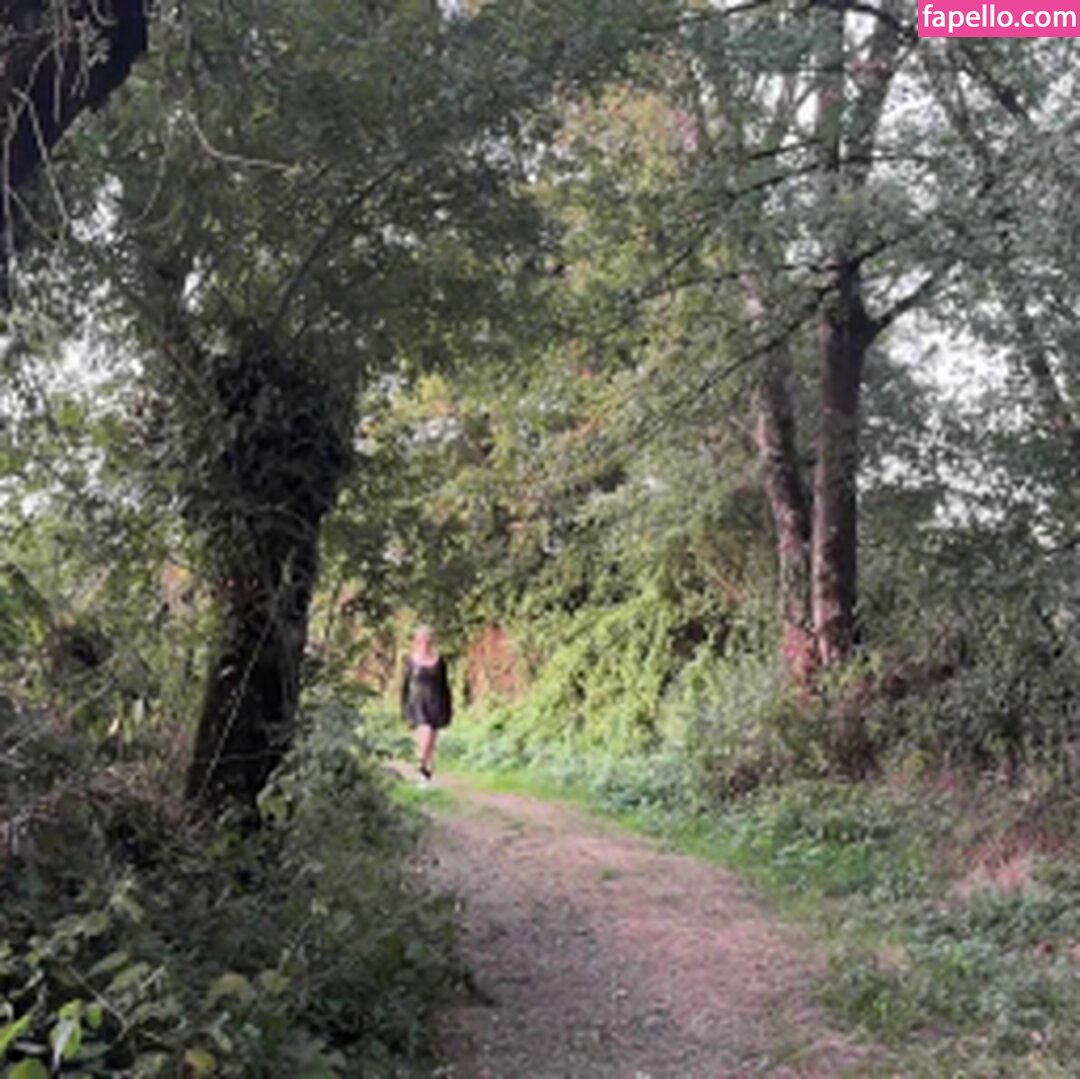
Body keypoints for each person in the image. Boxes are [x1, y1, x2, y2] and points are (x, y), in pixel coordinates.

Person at [400, 625, 452, 784]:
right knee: (426, 733)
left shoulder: (439, 661)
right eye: (422, 640)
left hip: (435, 702)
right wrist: (404, 707)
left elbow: (444, 685)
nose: (425, 643)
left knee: (431, 742)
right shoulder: (410, 661)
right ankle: (421, 765)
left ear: (432, 641)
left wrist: (448, 708)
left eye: (428, 640)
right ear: (416, 641)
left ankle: (426, 775)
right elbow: (405, 686)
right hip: (417, 704)